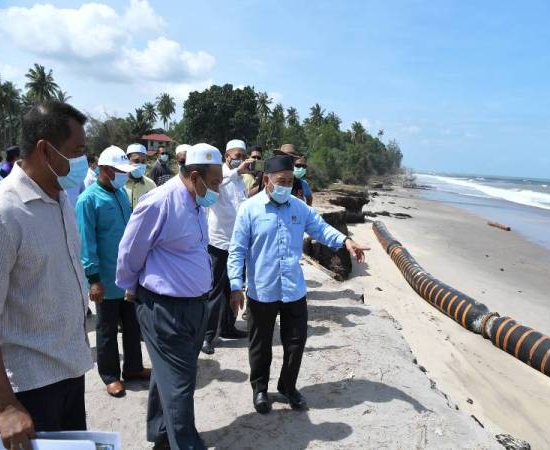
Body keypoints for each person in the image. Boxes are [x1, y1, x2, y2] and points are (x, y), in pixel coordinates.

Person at [228, 155, 369, 415]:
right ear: (267, 180)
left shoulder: (298, 207)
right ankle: (260, 388)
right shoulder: (249, 209)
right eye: (281, 181)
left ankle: (287, 386)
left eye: (290, 181)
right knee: (261, 344)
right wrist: (236, 285)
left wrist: (346, 242)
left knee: (296, 342)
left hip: (293, 288)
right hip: (262, 289)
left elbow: (320, 228)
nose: (286, 185)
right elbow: (236, 250)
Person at [0, 102, 93, 449]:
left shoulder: (60, 198)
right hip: (28, 388)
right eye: (77, 152)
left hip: (69, 371)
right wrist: (5, 406)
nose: (84, 161)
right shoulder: (4, 213)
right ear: (44, 150)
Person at [116, 143, 223, 450]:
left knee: (170, 376)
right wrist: (130, 287)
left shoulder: (198, 202)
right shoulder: (160, 202)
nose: (217, 189)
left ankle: (162, 434)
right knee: (180, 385)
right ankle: (186, 444)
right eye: (214, 182)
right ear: (194, 175)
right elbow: (130, 250)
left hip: (194, 307)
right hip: (166, 309)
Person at [76, 145, 150, 398]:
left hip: (127, 276)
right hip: (105, 278)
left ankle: (133, 368)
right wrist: (93, 279)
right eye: (120, 171)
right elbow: (87, 243)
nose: (125, 176)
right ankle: (110, 376)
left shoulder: (119, 194)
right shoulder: (88, 199)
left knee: (132, 325)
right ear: (106, 170)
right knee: (107, 330)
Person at [202, 139, 254, 355]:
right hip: (219, 242)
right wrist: (235, 172)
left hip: (237, 244)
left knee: (232, 289)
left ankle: (228, 327)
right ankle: (207, 336)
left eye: (243, 155)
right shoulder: (221, 175)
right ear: (227, 157)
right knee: (214, 292)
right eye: (237, 155)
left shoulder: (240, 181)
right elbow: (211, 188)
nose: (241, 159)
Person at [125, 143, 157, 209]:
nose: (140, 164)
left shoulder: (151, 185)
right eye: (136, 161)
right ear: (127, 160)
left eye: (143, 161)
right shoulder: (119, 185)